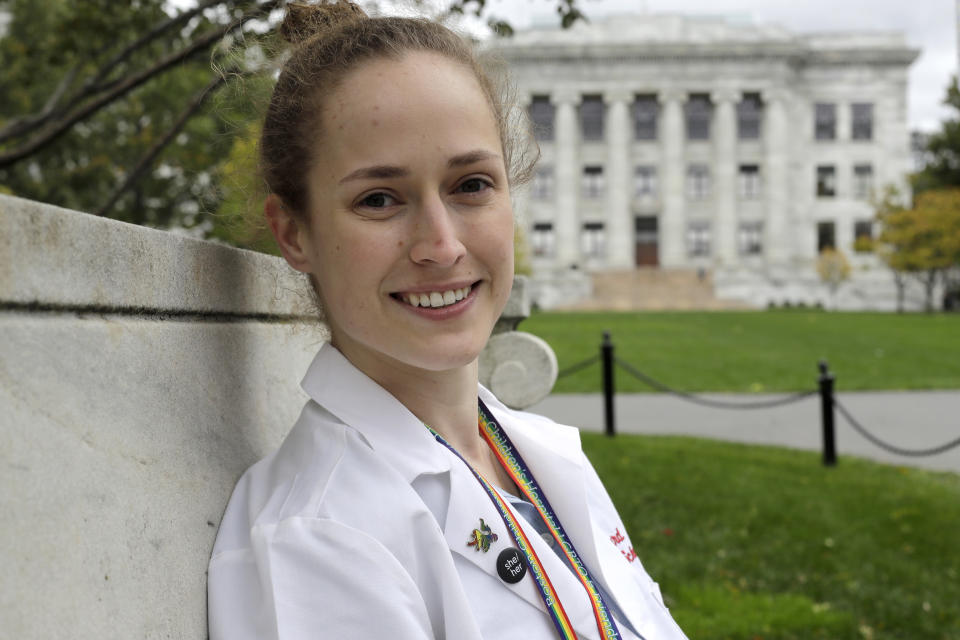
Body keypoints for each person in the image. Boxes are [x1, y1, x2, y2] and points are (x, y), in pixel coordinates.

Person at [207, 2, 689, 638]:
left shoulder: (530, 454)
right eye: (379, 199)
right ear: (295, 234)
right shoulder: (321, 542)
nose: (441, 245)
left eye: (471, 185)